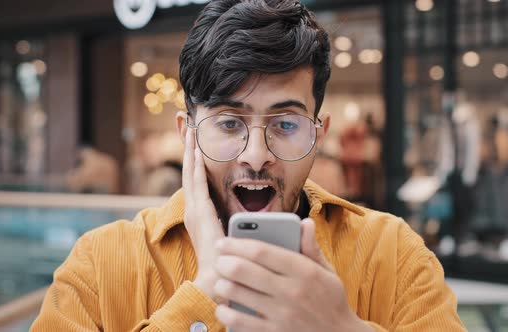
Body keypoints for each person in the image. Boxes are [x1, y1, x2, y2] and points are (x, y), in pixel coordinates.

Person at [31, 1, 465, 331]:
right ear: (188, 134)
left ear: (319, 132)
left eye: (286, 123)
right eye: (229, 122)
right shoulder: (98, 266)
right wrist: (208, 292)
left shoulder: (392, 254)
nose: (256, 154)